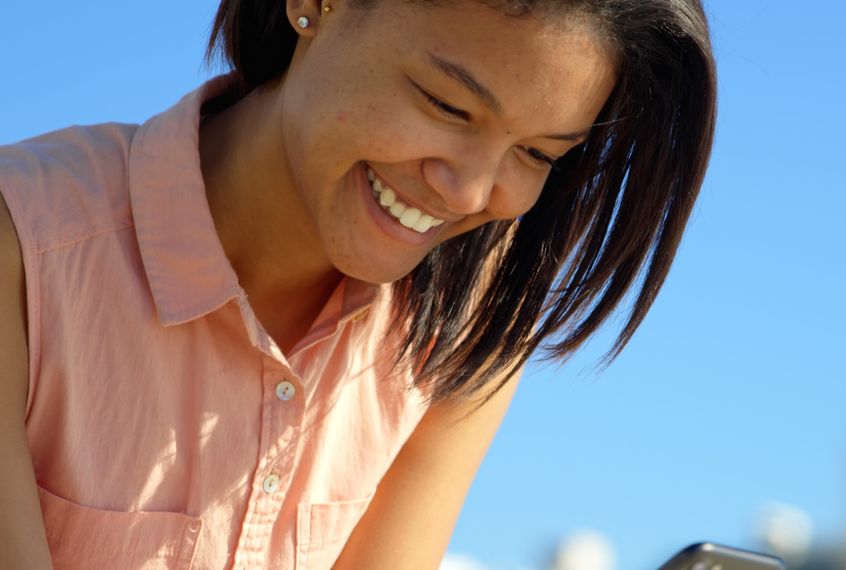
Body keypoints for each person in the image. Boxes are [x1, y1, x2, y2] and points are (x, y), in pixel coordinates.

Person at [0, 0, 716, 568]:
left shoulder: (463, 334)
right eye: (447, 105)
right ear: (315, 3)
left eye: (535, 153)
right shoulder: (25, 250)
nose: (469, 192)